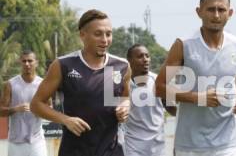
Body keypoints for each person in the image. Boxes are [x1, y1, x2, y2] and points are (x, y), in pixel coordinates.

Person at [155, 0, 236, 156]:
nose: (216, 15)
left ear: (230, 13)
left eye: (221, 10)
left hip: (229, 143)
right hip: (190, 145)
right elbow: (160, 87)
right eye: (210, 9)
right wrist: (197, 98)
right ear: (199, 12)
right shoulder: (184, 45)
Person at [31, 9, 131, 156]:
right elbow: (36, 105)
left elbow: (125, 98)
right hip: (74, 151)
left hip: (111, 151)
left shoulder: (120, 66)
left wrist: (124, 106)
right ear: (82, 35)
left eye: (108, 34)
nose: (105, 40)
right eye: (98, 34)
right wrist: (65, 120)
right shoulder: (64, 65)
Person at [122, 44, 176, 156]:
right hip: (133, 145)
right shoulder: (121, 84)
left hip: (158, 145)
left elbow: (172, 110)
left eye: (147, 56)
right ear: (129, 61)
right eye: (140, 56)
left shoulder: (159, 82)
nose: (145, 59)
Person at [0, 50, 48, 156]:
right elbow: (1, 111)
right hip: (15, 142)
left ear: (36, 62)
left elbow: (49, 108)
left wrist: (37, 109)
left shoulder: (42, 84)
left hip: (37, 142)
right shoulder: (10, 84)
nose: (27, 64)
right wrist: (15, 109)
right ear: (20, 63)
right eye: (24, 61)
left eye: (30, 61)